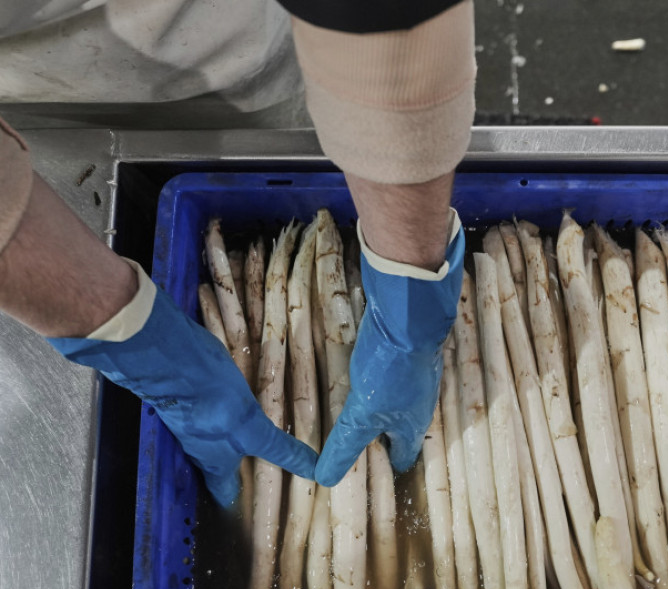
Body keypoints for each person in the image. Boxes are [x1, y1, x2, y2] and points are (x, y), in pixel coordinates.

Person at [0, 0, 477, 506]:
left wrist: (408, 308)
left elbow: (385, 22)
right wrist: (139, 344)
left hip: (244, 50)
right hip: (37, 94)